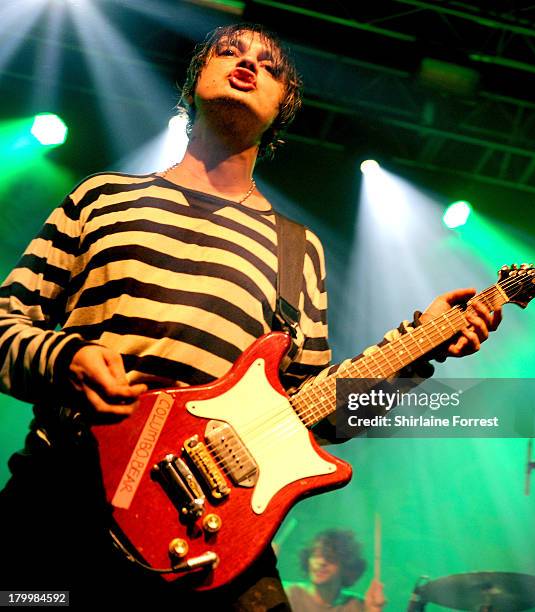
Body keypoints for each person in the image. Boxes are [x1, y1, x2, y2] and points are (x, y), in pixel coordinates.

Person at [0, 22, 501, 609]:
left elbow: (313, 411)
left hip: (208, 530)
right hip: (66, 496)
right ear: (193, 83)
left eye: (270, 65)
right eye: (228, 51)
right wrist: (67, 358)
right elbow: (7, 323)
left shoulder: (298, 251)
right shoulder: (101, 197)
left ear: (283, 105)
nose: (246, 63)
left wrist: (424, 348)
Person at [287, 530, 386, 612]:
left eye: (330, 558)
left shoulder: (357, 606)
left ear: (346, 566)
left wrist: (374, 610)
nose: (321, 562)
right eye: (316, 555)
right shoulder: (289, 594)